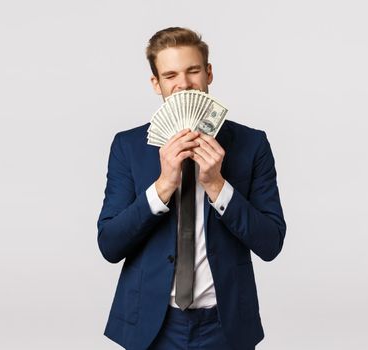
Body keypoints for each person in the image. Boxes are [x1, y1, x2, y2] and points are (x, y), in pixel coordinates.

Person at [97, 27, 286, 350]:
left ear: (209, 73)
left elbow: (271, 243)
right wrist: (163, 185)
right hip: (151, 325)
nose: (183, 84)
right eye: (170, 75)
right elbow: (110, 245)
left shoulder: (252, 145)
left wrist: (217, 185)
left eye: (193, 70)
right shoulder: (128, 147)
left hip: (225, 325)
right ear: (156, 83)